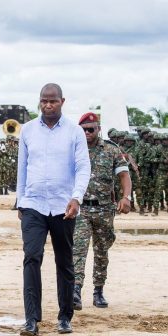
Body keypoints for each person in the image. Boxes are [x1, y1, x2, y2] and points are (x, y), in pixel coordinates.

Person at [17, 83, 91, 336]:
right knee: (32, 257)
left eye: (53, 101)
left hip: (64, 206)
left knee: (64, 261)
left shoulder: (74, 132)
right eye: (44, 101)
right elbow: (22, 168)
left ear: (62, 101)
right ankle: (31, 320)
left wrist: (76, 197)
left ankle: (64, 317)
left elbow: (83, 167)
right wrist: (20, 200)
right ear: (39, 102)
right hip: (33, 205)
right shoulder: (27, 131)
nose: (48, 105)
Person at [73, 112, 131, 311]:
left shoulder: (111, 150)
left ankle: (98, 291)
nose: (87, 133)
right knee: (78, 250)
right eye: (84, 130)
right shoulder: (73, 149)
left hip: (104, 209)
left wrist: (126, 197)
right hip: (81, 209)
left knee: (101, 251)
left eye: (91, 129)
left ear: (99, 129)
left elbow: (124, 175)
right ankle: (75, 290)